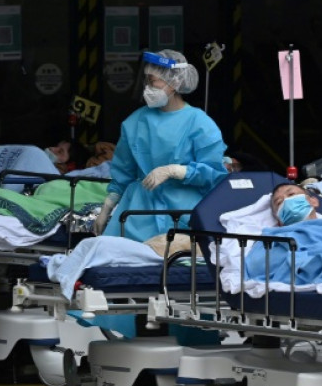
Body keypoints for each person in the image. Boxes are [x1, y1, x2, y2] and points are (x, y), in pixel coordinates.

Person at [94, 50, 227, 242]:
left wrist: (177, 171)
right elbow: (123, 172)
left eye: (153, 81)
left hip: (183, 213)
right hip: (138, 215)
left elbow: (215, 175)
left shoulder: (200, 123)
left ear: (175, 82)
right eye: (146, 81)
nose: (147, 87)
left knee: (177, 258)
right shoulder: (135, 122)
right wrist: (107, 207)